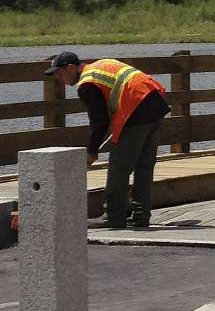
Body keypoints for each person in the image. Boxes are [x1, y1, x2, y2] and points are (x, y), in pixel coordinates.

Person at [44, 51, 170, 228]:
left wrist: (91, 151)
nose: (58, 78)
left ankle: (114, 216)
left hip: (136, 107)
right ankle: (141, 216)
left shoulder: (87, 84)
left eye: (59, 73)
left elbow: (99, 121)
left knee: (119, 166)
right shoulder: (100, 65)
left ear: (71, 68)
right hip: (155, 101)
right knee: (144, 165)